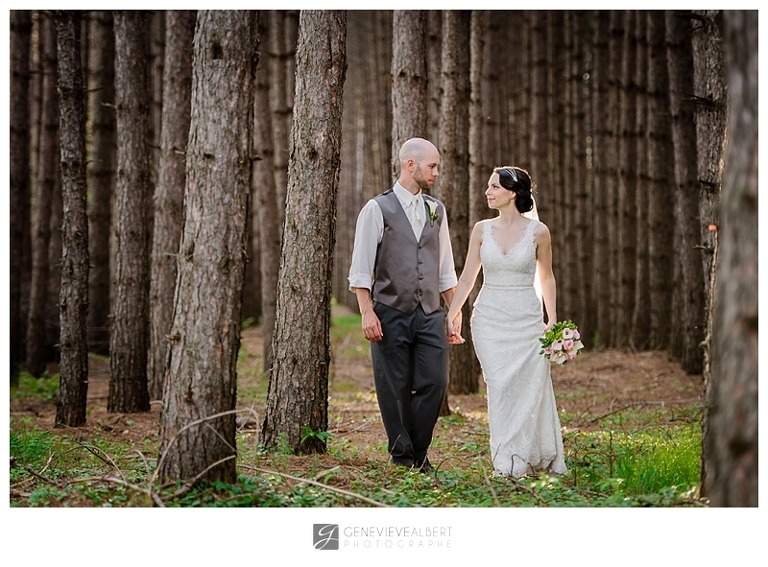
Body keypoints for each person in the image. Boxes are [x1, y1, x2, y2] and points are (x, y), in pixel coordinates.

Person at [348, 137, 461, 473]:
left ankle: (419, 451)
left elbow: (445, 269)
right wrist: (367, 312)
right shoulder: (376, 209)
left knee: (435, 382)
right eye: (432, 166)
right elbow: (361, 269)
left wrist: (453, 314)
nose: (436, 173)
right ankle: (403, 457)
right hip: (390, 311)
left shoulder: (436, 210)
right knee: (393, 386)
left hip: (429, 313)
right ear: (410, 165)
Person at [446, 166, 567, 478]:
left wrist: (552, 319)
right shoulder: (481, 230)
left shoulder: (539, 232)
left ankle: (524, 455)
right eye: (488, 186)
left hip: (526, 319)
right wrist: (453, 312)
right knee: (499, 386)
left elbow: (547, 276)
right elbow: (468, 274)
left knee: (527, 388)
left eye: (494, 187)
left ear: (512, 193)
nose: (488, 192)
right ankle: (505, 460)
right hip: (489, 318)